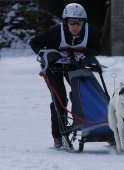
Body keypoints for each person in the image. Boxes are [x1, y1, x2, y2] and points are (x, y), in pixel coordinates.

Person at [29, 3, 100, 148]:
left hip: (73, 66)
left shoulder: (89, 32)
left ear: (84, 23)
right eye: (71, 22)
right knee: (60, 98)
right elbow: (34, 43)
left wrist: (87, 55)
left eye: (78, 23)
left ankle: (86, 126)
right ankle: (59, 136)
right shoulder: (56, 32)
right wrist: (47, 54)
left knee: (82, 95)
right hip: (53, 68)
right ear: (65, 21)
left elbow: (96, 48)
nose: (75, 26)